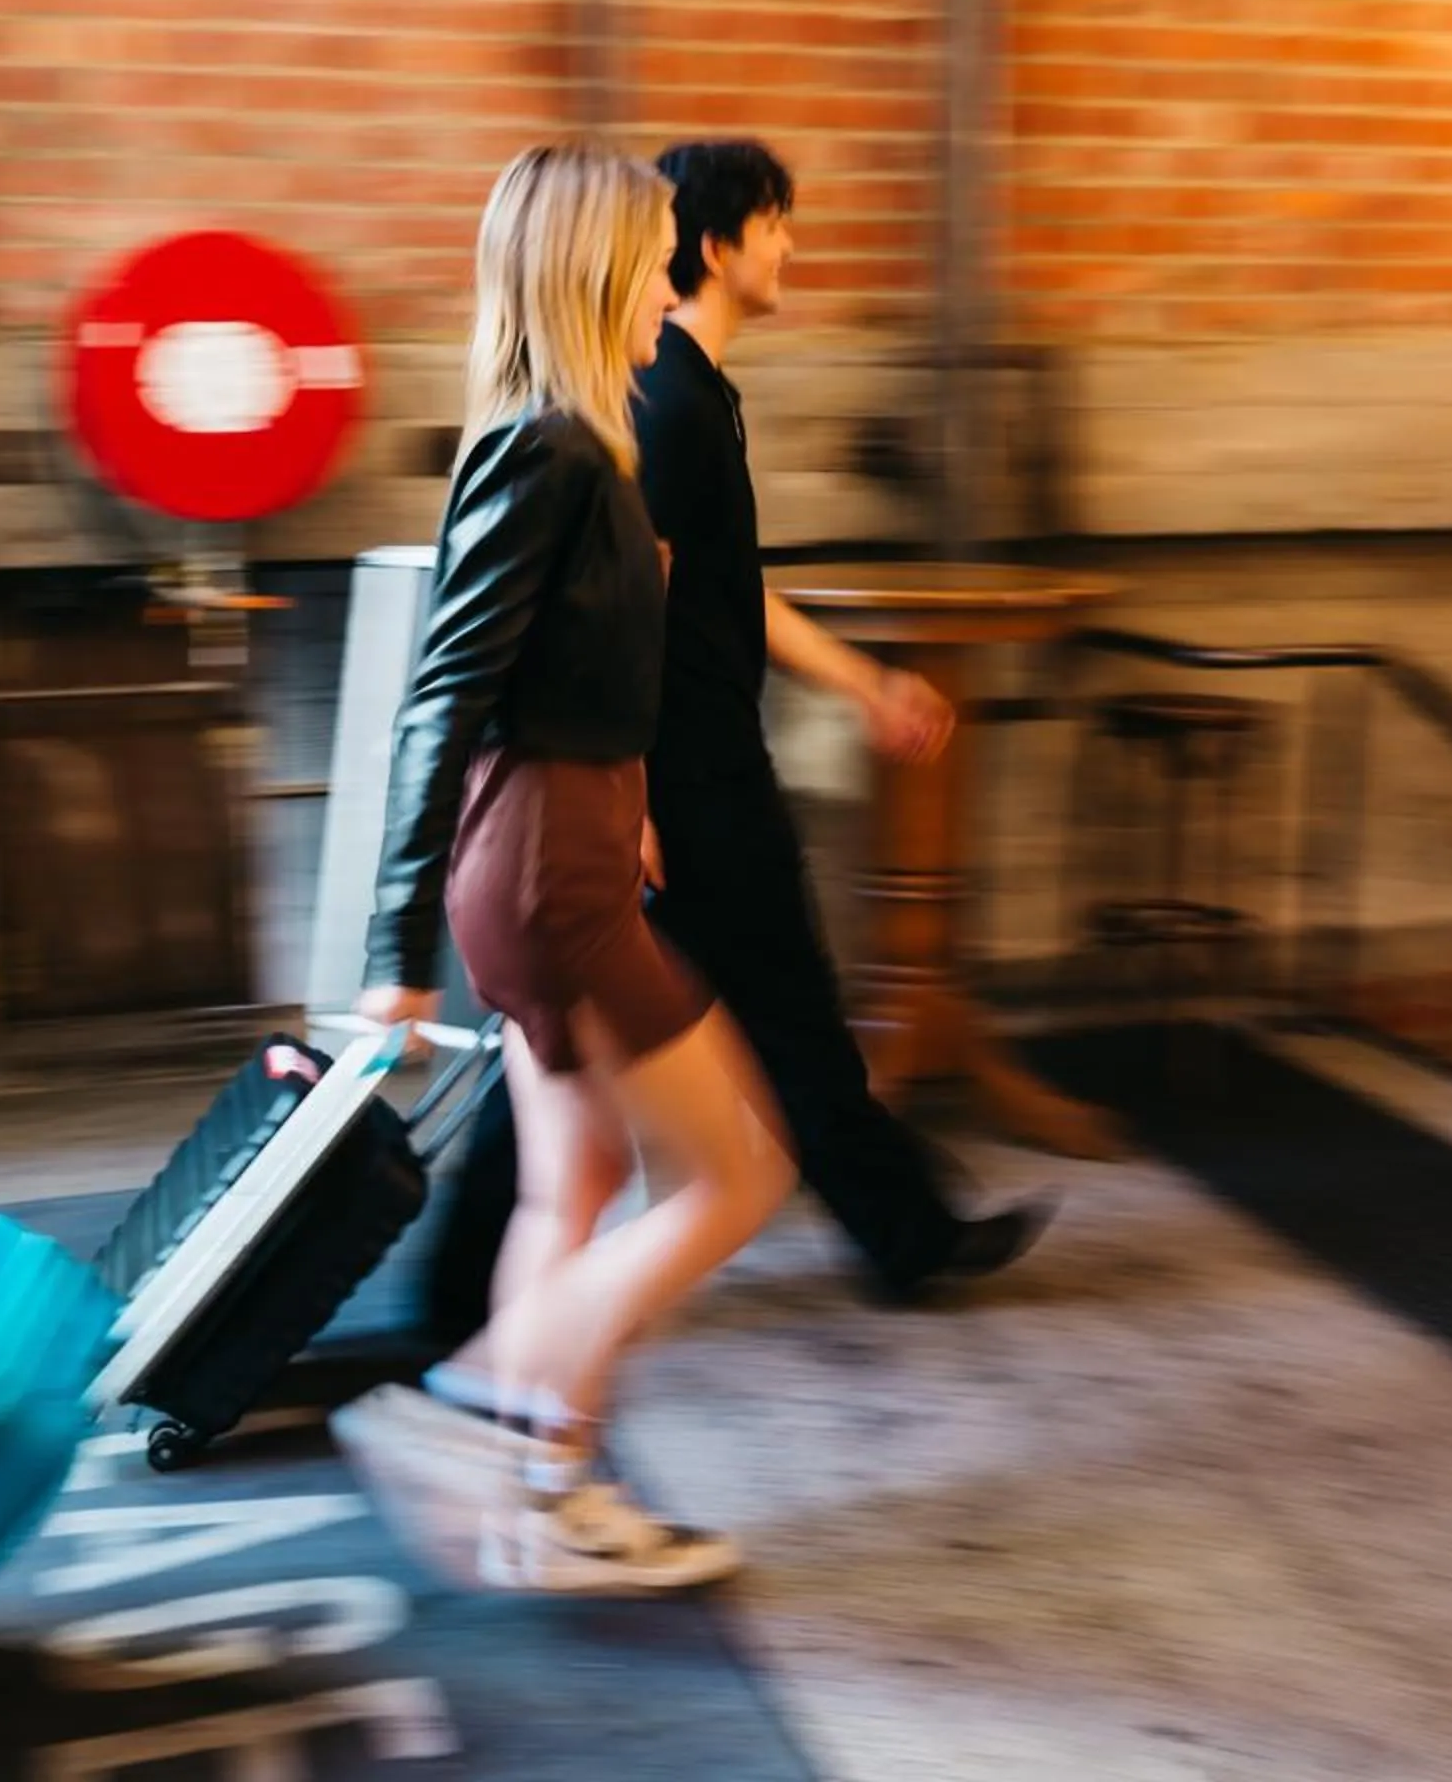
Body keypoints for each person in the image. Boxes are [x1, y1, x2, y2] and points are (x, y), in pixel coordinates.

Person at [420, 138, 1048, 1345]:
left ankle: (470, 1318)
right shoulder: (658, 401)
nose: (791, 246)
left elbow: (716, 585)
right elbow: (616, 608)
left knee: (647, 1036)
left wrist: (865, 680)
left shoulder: (688, 394)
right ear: (712, 247)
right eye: (777, 225)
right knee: (719, 1027)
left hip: (674, 769)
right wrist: (637, 791)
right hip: (675, 775)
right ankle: (476, 1335)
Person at [333, 142, 797, 1596]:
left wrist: (632, 794)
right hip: (545, 871)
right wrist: (393, 955)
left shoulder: (576, 444)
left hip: (567, 844)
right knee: (735, 1176)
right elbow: (441, 697)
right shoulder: (548, 451)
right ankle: (480, 1403)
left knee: (575, 1185)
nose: (676, 275)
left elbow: (563, 677)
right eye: (656, 249)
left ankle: (550, 1490)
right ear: (598, 266)